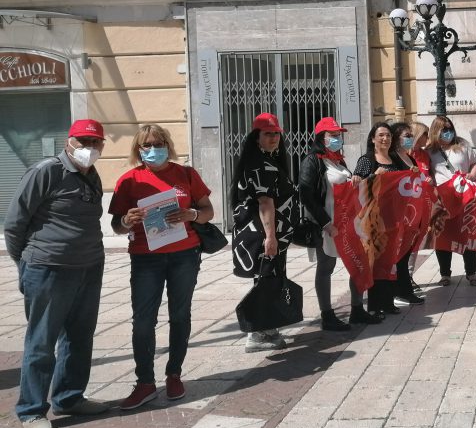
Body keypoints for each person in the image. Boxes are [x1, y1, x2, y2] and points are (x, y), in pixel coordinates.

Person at [3, 119, 111, 428]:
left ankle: (69, 397)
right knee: (41, 341)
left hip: (89, 269)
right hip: (48, 268)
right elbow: (14, 223)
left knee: (79, 338)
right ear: (69, 141)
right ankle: (32, 410)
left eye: (96, 143)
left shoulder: (90, 174)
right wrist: (25, 266)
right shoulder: (46, 171)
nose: (89, 148)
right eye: (83, 142)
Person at [109, 124, 215, 410]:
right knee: (143, 321)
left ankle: (174, 375)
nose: (152, 149)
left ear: (167, 144)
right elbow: (116, 226)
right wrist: (125, 221)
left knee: (180, 315)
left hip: (184, 254)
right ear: (138, 149)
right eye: (145, 146)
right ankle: (145, 382)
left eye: (157, 143)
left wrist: (191, 213)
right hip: (145, 257)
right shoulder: (128, 180)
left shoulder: (186, 175)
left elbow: (208, 211)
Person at [231, 113, 297, 352]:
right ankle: (257, 333)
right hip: (265, 234)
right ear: (256, 137)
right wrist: (270, 237)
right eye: (268, 134)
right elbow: (265, 203)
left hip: (271, 233)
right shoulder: (261, 164)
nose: (273, 138)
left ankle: (267, 328)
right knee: (266, 280)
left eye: (276, 133)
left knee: (268, 279)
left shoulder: (263, 160)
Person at [297, 116, 352, 332]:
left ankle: (355, 307)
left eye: (339, 135)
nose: (337, 139)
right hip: (325, 223)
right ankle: (327, 314)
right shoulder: (312, 161)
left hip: (343, 221)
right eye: (333, 135)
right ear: (322, 138)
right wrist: (325, 222)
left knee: (340, 263)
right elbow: (306, 194)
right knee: (326, 265)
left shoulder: (338, 160)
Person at [352, 122, 406, 317]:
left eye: (389, 136)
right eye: (381, 135)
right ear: (373, 139)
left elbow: (409, 175)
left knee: (390, 260)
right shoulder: (367, 159)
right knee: (374, 261)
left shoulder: (395, 159)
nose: (386, 139)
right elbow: (357, 184)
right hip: (373, 220)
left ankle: (388, 302)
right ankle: (374, 305)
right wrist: (374, 176)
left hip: (393, 218)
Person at [426, 116, 476, 287]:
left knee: (467, 234)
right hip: (442, 199)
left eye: (450, 128)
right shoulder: (429, 151)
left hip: (464, 196)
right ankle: (445, 274)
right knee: (443, 236)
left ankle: (471, 273)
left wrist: (472, 175)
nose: (448, 132)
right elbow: (425, 171)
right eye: (443, 129)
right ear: (436, 131)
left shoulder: (463, 145)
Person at [390, 121, 427, 306]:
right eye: (407, 136)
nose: (410, 139)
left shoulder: (409, 158)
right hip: (397, 214)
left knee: (405, 255)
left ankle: (406, 291)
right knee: (396, 256)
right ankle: (397, 292)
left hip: (411, 213)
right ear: (397, 138)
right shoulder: (393, 157)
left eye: (411, 136)